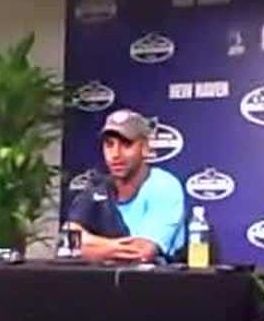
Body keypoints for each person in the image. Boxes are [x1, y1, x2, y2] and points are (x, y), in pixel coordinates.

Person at [66, 108, 185, 263]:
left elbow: (141, 252)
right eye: (109, 145)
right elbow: (68, 243)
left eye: (126, 144)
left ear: (145, 148)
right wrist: (112, 246)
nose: (115, 154)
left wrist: (91, 247)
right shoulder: (97, 188)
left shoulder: (164, 186)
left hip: (156, 284)